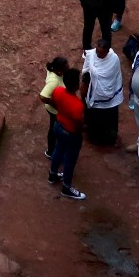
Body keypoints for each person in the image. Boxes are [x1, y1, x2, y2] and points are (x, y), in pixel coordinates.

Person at [46, 66, 87, 200]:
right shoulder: (77, 105)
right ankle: (67, 187)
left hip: (58, 126)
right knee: (70, 159)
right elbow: (78, 125)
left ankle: (52, 175)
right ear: (76, 85)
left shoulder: (58, 91)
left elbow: (54, 102)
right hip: (71, 133)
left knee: (58, 150)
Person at [81, 36, 125, 147]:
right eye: (97, 51)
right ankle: (93, 136)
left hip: (109, 96)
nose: (98, 55)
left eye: (101, 53)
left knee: (108, 119)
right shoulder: (91, 55)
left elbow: (113, 76)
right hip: (94, 93)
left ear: (107, 52)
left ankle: (110, 138)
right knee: (93, 117)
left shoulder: (114, 59)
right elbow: (86, 71)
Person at [40, 56, 69, 160]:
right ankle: (51, 151)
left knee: (54, 128)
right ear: (59, 71)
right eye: (66, 69)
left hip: (56, 110)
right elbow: (43, 96)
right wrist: (56, 104)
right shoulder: (54, 81)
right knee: (54, 130)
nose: (68, 70)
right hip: (54, 111)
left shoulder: (54, 71)